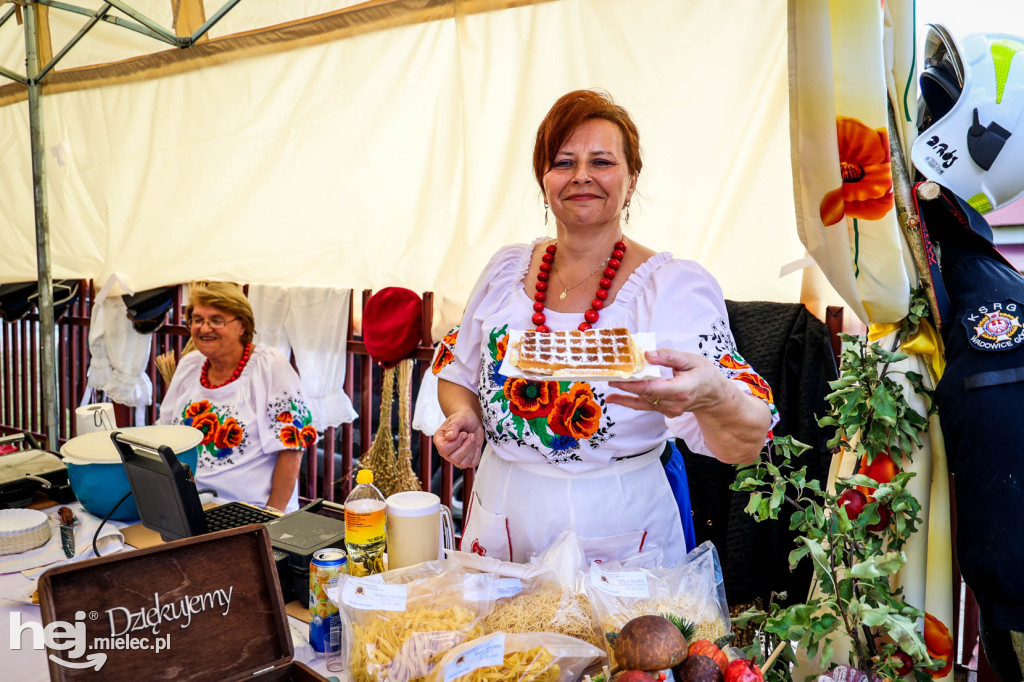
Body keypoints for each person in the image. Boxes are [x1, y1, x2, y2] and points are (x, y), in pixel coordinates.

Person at [431, 89, 777, 566]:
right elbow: (458, 371)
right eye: (563, 162)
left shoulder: (672, 288)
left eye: (602, 161)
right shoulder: (505, 271)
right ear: (544, 179)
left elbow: (748, 440)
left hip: (621, 531)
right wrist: (464, 416)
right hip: (502, 521)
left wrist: (712, 394)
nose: (581, 177)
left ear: (632, 180)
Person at [157, 281, 316, 513]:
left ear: (242, 326)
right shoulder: (190, 365)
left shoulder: (269, 365)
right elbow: (165, 434)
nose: (204, 328)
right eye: (197, 319)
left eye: (216, 320)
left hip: (252, 512)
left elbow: (291, 449)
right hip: (190, 506)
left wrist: (271, 518)